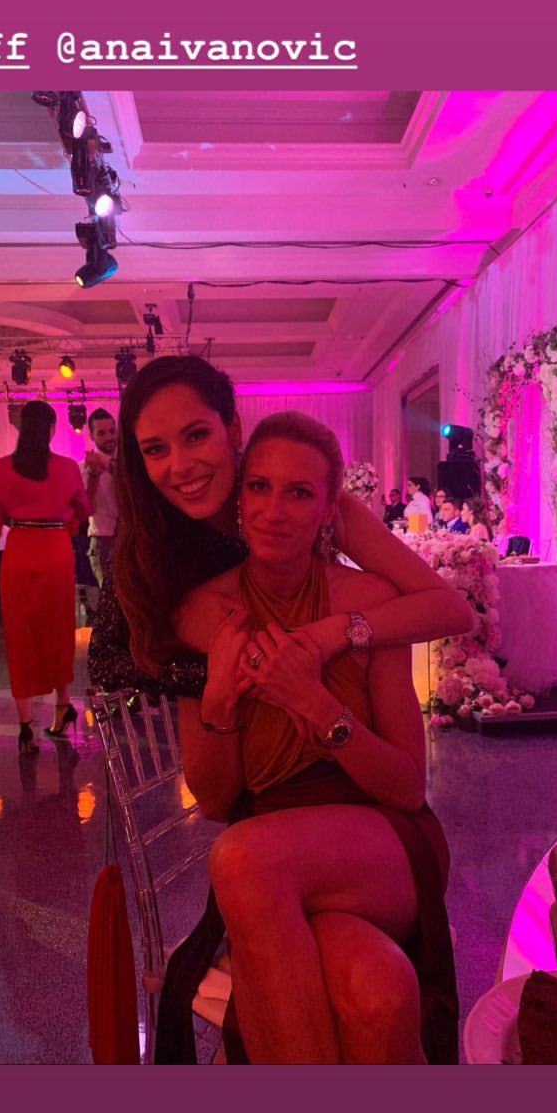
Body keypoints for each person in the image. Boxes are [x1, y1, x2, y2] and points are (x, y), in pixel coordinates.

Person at [173, 413, 461, 1064]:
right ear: (238, 496)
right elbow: (216, 800)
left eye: (299, 493)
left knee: (242, 860)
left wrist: (318, 706)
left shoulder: (369, 599)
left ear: (329, 511)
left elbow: (407, 787)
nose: (273, 511)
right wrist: (218, 700)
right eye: (258, 487)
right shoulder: (202, 613)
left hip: (383, 840)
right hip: (274, 847)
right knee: (378, 990)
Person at [90, 353, 472, 702]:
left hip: (321, 706)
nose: (180, 466)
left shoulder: (298, 498)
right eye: (156, 449)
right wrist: (234, 674)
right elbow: (106, 662)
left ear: (233, 429)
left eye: (196, 436)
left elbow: (451, 610)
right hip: (211, 728)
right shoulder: (147, 531)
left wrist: (336, 632)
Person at [0, 401, 91, 752]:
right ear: (51, 429)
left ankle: (26, 727)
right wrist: (67, 526)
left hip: (20, 551)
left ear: (22, 428)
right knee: (59, 631)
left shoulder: (2, 469)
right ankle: (62, 708)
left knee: (21, 637)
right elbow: (84, 511)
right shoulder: (67, 468)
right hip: (57, 551)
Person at [82, 407, 118, 599]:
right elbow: (87, 509)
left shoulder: (128, 464)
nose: (109, 437)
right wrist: (94, 475)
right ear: (92, 435)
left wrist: (109, 466)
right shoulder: (83, 468)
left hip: (133, 536)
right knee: (111, 601)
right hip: (104, 539)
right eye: (102, 433)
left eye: (112, 431)